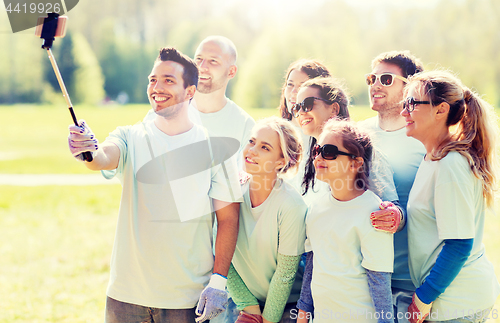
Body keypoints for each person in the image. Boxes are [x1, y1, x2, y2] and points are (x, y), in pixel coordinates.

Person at [68, 47, 242, 323]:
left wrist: (219, 282)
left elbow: (229, 219)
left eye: (168, 80)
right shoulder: (128, 136)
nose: (157, 88)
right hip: (125, 296)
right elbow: (102, 158)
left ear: (190, 92)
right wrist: (87, 149)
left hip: (187, 300)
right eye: (152, 79)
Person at [401, 70, 500, 322]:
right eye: (404, 104)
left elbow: (459, 244)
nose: (404, 112)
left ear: (440, 109)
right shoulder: (433, 158)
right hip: (448, 299)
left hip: (459, 303)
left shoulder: (450, 164)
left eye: (412, 103)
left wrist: (423, 298)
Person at [296, 119, 394, 323]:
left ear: (356, 163)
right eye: (317, 150)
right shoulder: (316, 208)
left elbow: (379, 281)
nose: (319, 157)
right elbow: (312, 265)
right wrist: (303, 315)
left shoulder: (373, 211)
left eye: (329, 152)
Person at [358, 51, 426, 322]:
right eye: (371, 78)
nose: (375, 85)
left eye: (386, 79)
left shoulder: (424, 139)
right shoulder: (356, 135)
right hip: (363, 276)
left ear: (409, 87)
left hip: (412, 280)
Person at [227, 117, 307, 323]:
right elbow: (220, 253)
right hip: (244, 301)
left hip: (288, 305)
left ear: (281, 161)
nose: (251, 151)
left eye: (265, 147)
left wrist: (268, 320)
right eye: (251, 142)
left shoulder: (291, 205)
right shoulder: (229, 193)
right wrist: (249, 309)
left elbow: (285, 274)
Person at [144, 36, 255, 167]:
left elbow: (247, 182)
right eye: (199, 59)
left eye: (213, 61)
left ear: (231, 72)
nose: (202, 67)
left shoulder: (246, 126)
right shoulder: (159, 116)